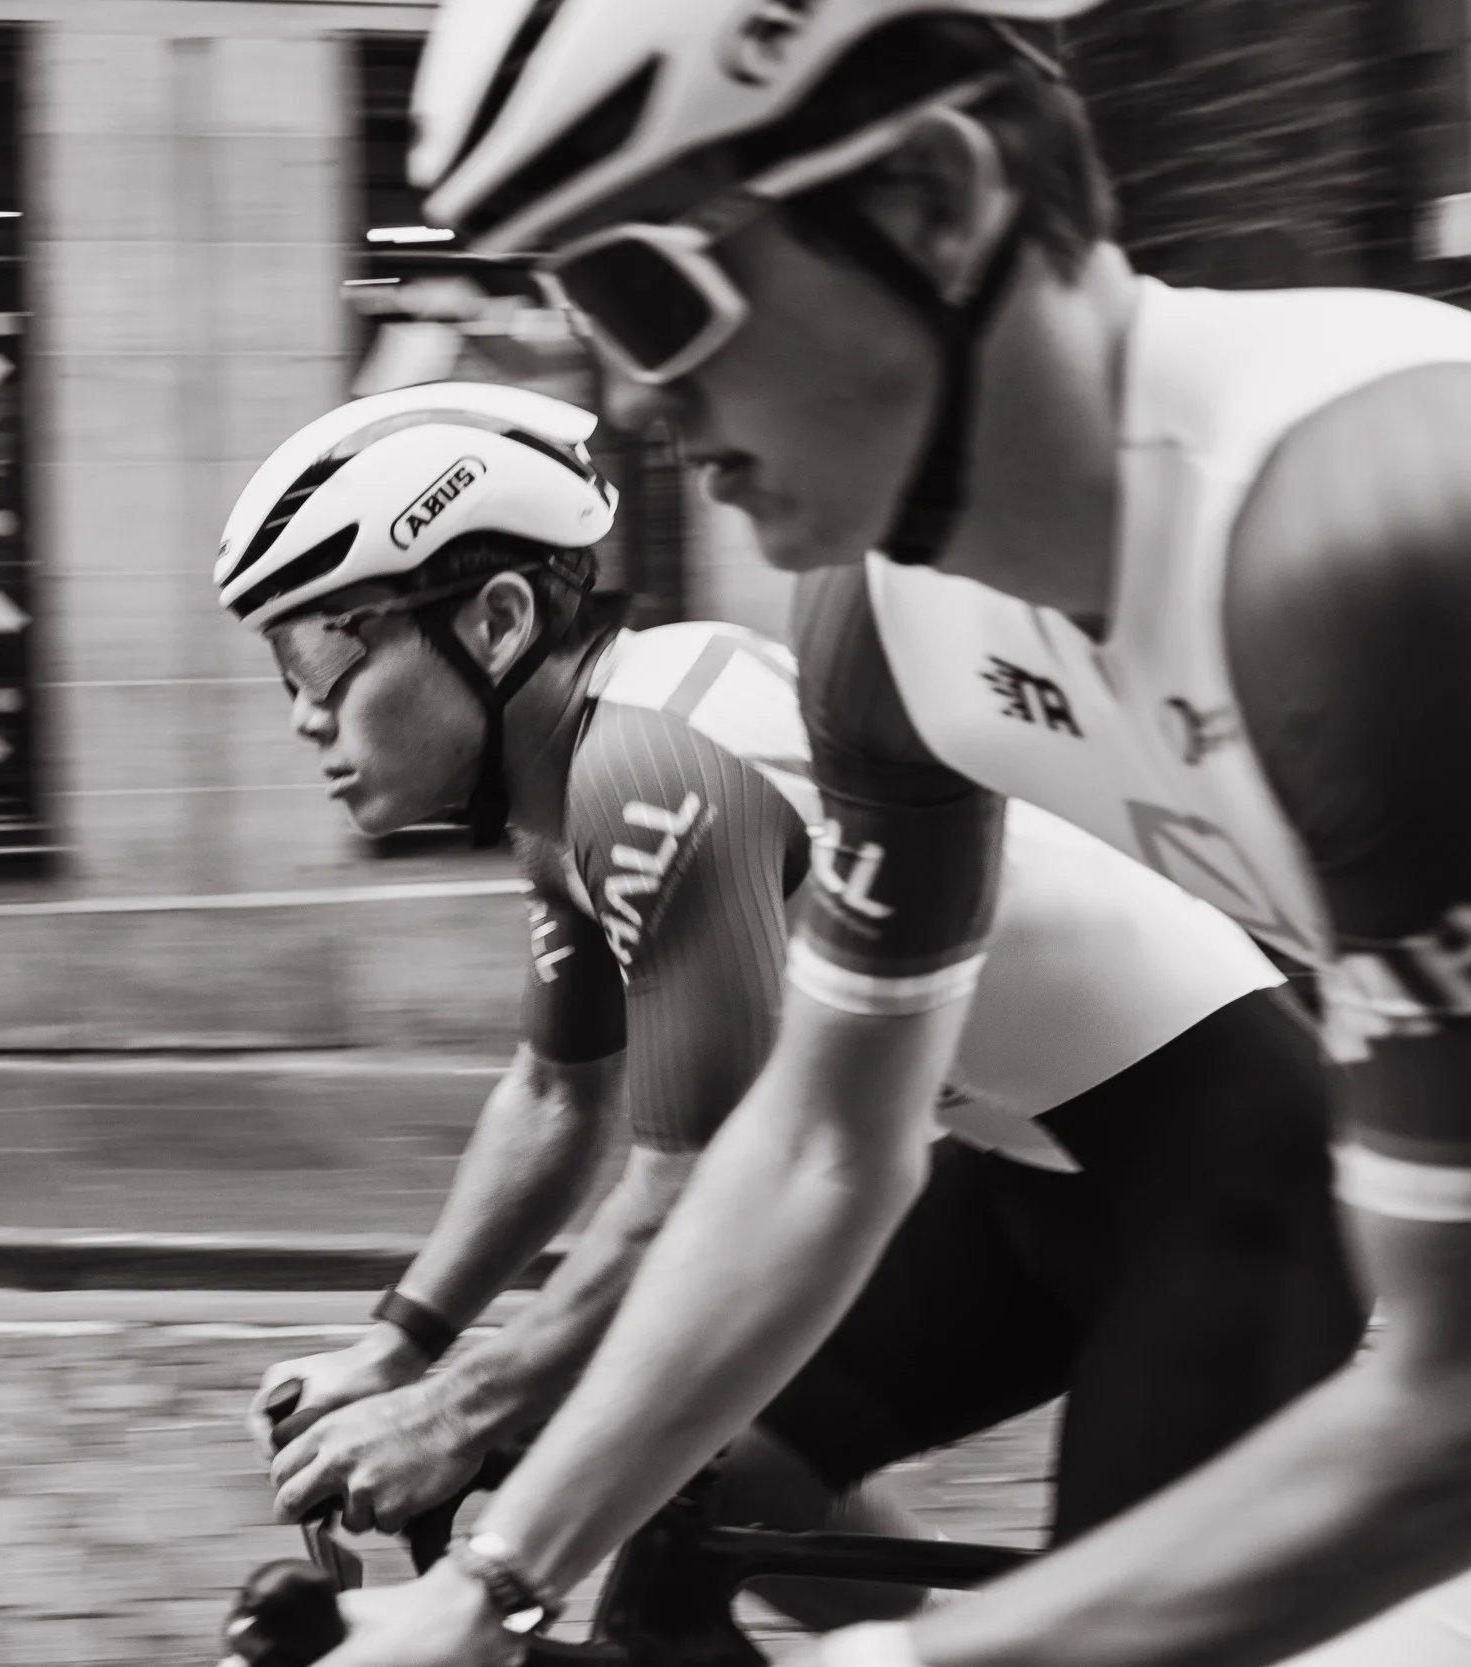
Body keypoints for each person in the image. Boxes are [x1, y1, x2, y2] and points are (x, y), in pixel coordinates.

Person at [305, 4, 1471, 1666]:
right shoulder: (879, 619)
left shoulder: (1373, 536)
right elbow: (832, 1147)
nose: (635, 405)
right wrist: (494, 1585)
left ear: (931, 195)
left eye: (644, 294)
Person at [218, 384, 1361, 1619]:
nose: (303, 713)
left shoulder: (648, 772)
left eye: (326, 652)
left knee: (1104, 1637)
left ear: (493, 621)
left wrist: (453, 1409)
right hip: (1030, 1173)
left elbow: (691, 1192)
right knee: (715, 1494)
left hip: (1231, 1182)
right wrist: (402, 1342)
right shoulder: (579, 782)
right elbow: (556, 1091)